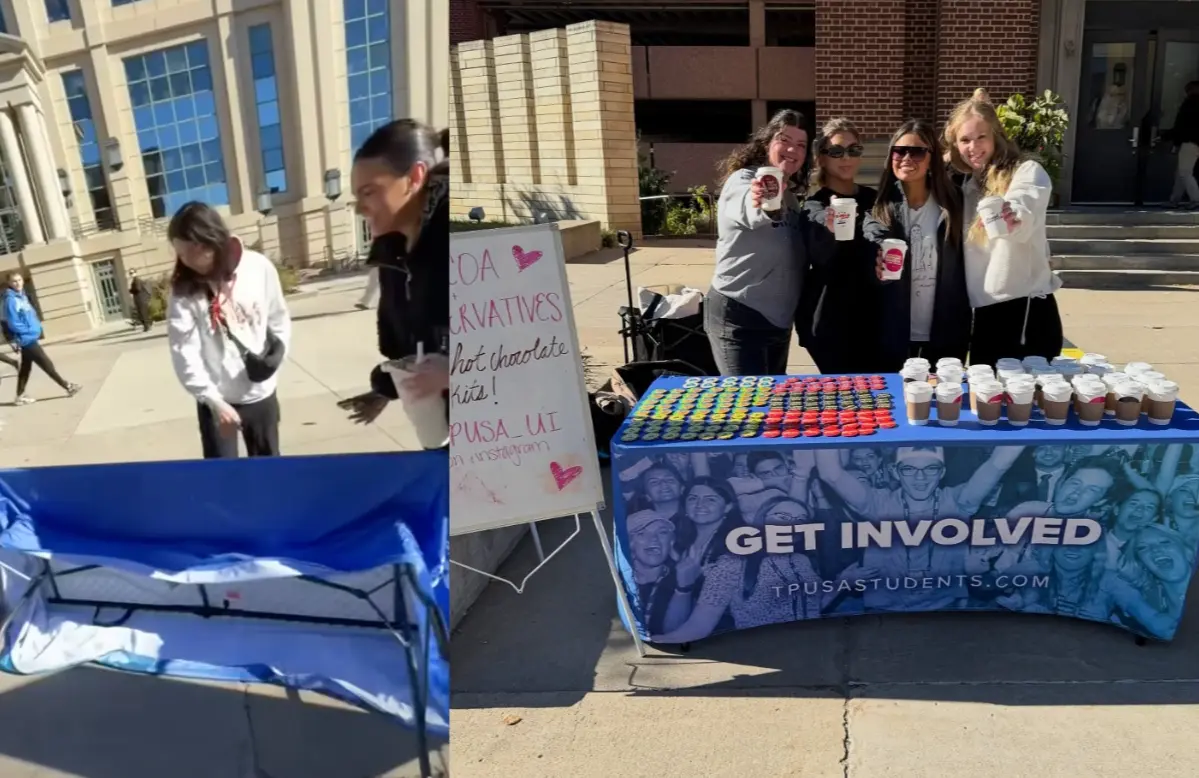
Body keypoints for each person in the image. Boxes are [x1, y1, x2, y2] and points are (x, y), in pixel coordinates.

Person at [338, 119, 449, 439]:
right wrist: (386, 389)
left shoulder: (452, 238)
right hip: (442, 428)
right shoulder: (392, 251)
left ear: (414, 178)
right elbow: (416, 345)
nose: (360, 208)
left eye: (369, 192)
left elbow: (515, 340)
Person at [707, 109, 835, 376]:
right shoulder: (743, 181)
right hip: (740, 317)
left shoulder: (790, 197)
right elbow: (751, 208)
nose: (792, 149)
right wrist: (764, 202)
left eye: (800, 144)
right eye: (784, 140)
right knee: (749, 408)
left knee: (772, 405)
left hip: (778, 322)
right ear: (767, 143)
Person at [944, 88, 1063, 366]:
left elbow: (1025, 206)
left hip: (1025, 313)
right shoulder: (968, 185)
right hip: (985, 314)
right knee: (987, 404)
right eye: (965, 140)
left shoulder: (1026, 172)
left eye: (981, 136)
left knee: (1030, 406)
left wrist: (1013, 216)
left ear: (996, 135)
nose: (973, 147)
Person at [167, 202, 292, 458]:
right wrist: (212, 400)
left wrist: (278, 354)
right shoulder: (184, 292)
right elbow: (184, 353)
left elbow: (278, 317)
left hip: (261, 394)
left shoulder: (258, 267)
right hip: (217, 399)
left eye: (191, 251)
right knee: (222, 478)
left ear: (210, 240)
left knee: (269, 471)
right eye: (180, 254)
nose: (186, 261)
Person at [863, 119, 970, 369]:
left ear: (932, 158)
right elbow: (872, 237)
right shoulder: (880, 208)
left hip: (946, 333)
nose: (907, 157)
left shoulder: (955, 204)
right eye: (900, 150)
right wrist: (876, 262)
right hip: (893, 335)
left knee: (945, 404)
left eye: (918, 151)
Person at [799, 117, 882, 373]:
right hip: (829, 321)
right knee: (842, 403)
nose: (846, 157)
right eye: (836, 151)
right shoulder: (815, 205)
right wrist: (830, 226)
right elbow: (818, 252)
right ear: (821, 158)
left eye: (853, 150)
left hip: (872, 319)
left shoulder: (875, 198)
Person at [3, 273, 80, 404]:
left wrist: (35, 327)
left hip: (30, 337)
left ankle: (20, 395)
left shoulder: (22, 296)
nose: (18, 283)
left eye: (20, 280)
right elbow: (13, 322)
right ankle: (67, 386)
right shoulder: (11, 300)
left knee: (25, 368)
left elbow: (29, 315)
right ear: (9, 283)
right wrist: (28, 332)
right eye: (14, 281)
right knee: (46, 363)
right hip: (26, 339)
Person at [1166, 81, 1199, 209]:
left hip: (1190, 142)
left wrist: (1167, 137)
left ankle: (1196, 200)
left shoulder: (1190, 105)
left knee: (1184, 172)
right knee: (1180, 173)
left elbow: (1181, 126)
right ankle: (1175, 200)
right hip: (1195, 142)